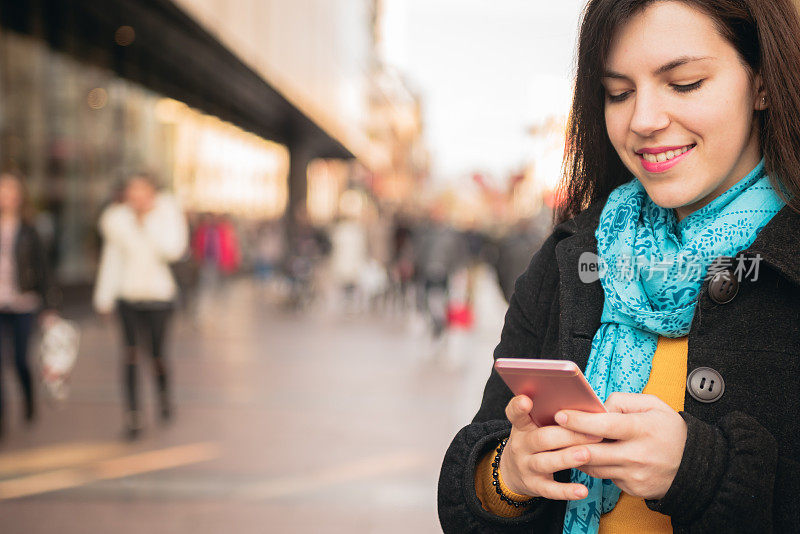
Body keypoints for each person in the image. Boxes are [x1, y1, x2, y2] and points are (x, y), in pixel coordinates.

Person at [438, 1, 800, 532]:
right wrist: (509, 476)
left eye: (684, 83)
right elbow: (473, 479)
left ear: (763, 81)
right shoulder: (570, 257)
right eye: (619, 93)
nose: (643, 121)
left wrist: (698, 470)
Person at [93, 173, 188, 439]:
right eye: (131, 190)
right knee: (130, 355)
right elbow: (111, 261)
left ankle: (163, 395)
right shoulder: (117, 221)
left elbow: (173, 250)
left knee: (157, 355)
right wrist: (103, 298)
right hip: (128, 298)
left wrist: (147, 222)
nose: (136, 195)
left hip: (159, 298)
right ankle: (133, 415)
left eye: (141, 189)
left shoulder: (167, 215)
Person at [0, 171, 60, 435]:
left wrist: (49, 306)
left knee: (20, 361)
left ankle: (29, 401)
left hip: (24, 303)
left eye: (11, 189)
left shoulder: (30, 228)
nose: (6, 195)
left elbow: (44, 269)